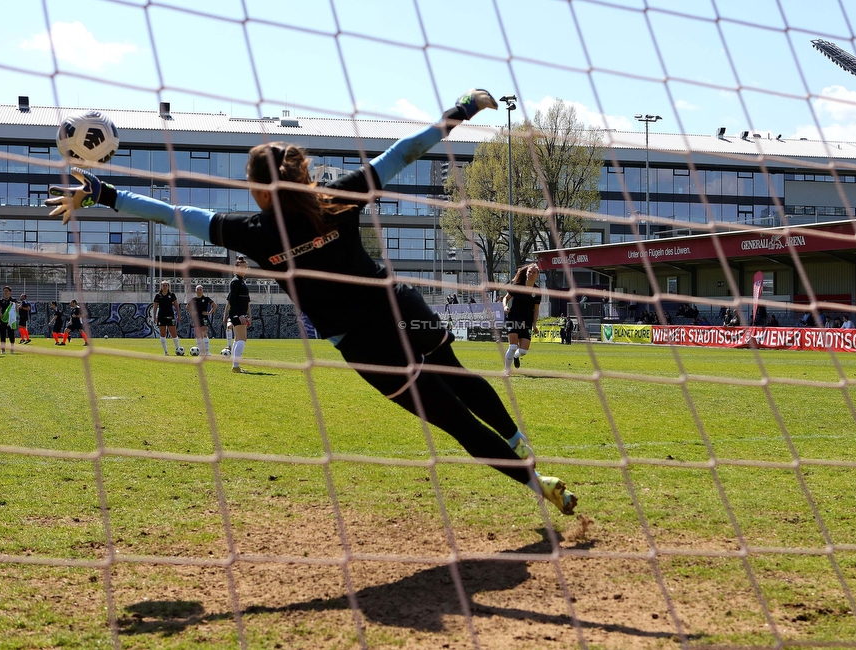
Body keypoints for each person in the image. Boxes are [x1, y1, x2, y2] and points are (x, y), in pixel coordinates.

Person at [46, 88, 576, 516]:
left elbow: (171, 213)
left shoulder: (250, 231)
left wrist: (101, 193)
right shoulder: (336, 199)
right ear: (299, 173)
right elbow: (404, 154)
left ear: (254, 189)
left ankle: (538, 481)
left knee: (454, 419)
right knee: (458, 376)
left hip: (367, 343)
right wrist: (460, 111)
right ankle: (519, 438)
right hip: (400, 305)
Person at [502, 263, 541, 376]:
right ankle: (507, 371)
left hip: (527, 321)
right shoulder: (518, 286)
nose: (531, 274)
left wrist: (534, 324)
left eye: (534, 272)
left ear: (537, 275)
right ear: (526, 272)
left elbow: (536, 310)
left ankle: (515, 356)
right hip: (513, 318)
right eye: (529, 271)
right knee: (513, 346)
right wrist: (505, 306)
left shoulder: (537, 291)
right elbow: (506, 297)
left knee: (523, 351)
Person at [222, 255, 252, 372]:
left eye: (246, 267)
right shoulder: (235, 282)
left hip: (240, 314)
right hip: (236, 314)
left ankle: (235, 366)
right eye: (242, 267)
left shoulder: (241, 282)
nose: (244, 269)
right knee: (242, 340)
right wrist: (239, 315)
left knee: (237, 339)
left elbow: (246, 301)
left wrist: (248, 315)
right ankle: (235, 367)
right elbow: (232, 300)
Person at [152, 280, 182, 355]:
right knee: (163, 334)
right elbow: (155, 307)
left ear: (168, 286)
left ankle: (178, 349)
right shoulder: (158, 296)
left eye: (166, 285)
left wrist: (178, 315)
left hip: (170, 316)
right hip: (161, 316)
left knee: (174, 334)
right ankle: (166, 351)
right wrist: (154, 317)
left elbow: (176, 305)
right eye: (163, 285)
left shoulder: (172, 295)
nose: (164, 287)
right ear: (161, 287)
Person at [188, 284, 217, 356]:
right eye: (198, 289)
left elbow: (214, 305)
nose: (199, 291)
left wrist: (209, 313)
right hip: (196, 319)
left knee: (204, 333)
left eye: (200, 289)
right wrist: (192, 312)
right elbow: (187, 307)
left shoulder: (206, 299)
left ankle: (207, 352)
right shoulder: (193, 299)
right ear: (195, 290)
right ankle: (201, 352)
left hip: (204, 318)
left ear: (202, 290)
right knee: (198, 335)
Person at [0, 285, 16, 354]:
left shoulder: (13, 300)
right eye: (4, 291)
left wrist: (17, 306)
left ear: (10, 292)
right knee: (2, 335)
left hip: (10, 320)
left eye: (7, 291)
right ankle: (3, 350)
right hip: (2, 320)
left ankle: (12, 348)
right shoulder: (1, 301)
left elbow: (16, 309)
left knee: (11, 334)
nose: (5, 292)